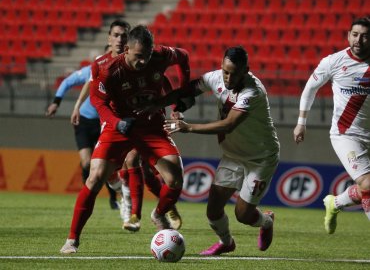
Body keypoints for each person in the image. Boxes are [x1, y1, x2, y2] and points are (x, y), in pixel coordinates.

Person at [60, 25, 190, 254]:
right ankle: (72, 239)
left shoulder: (160, 55)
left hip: (150, 125)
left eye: (147, 56)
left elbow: (184, 57)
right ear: (126, 49)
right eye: (139, 57)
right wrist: (116, 122)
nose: (144, 62)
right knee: (95, 176)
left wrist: (185, 91)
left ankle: (158, 213)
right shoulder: (109, 69)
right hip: (120, 126)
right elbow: (98, 101)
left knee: (176, 178)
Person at [141, 46, 280, 255]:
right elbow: (186, 91)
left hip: (260, 157)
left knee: (242, 215)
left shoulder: (253, 92)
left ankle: (266, 221)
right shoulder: (214, 78)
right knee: (213, 211)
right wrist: (159, 105)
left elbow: (229, 124)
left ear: (246, 70)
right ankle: (226, 242)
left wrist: (188, 127)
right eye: (225, 71)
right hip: (233, 155)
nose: (228, 78)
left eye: (234, 73)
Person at [293, 17, 370, 234]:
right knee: (368, 184)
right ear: (348, 36)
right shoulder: (334, 61)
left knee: (367, 186)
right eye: (355, 35)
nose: (359, 40)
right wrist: (301, 123)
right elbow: (310, 89)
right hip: (346, 134)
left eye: (365, 36)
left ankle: (335, 203)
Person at [45, 46, 119, 210]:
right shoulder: (91, 71)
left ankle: (113, 197)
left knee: (105, 164)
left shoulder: (120, 73)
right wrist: (56, 102)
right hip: (85, 121)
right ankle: (87, 193)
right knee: (86, 163)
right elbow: (67, 82)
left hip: (104, 123)